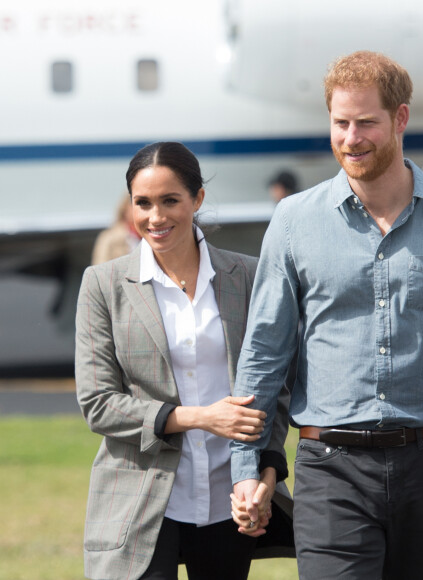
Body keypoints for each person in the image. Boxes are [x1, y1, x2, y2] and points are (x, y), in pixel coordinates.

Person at [230, 51, 423, 579]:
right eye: (340, 123)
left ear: (400, 119)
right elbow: (264, 353)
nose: (351, 138)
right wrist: (248, 465)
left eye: (366, 122)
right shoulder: (294, 221)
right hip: (331, 469)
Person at [75, 142, 294, 580]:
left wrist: (265, 479)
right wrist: (200, 417)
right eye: (143, 203)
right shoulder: (103, 284)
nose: (156, 217)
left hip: (229, 500)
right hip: (139, 501)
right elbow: (98, 402)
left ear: (197, 199)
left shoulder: (248, 276)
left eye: (170, 200)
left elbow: (276, 392)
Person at [91, 194, 141, 264]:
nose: (140, 209)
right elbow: (100, 268)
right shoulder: (109, 238)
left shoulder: (150, 235)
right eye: (136, 204)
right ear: (125, 209)